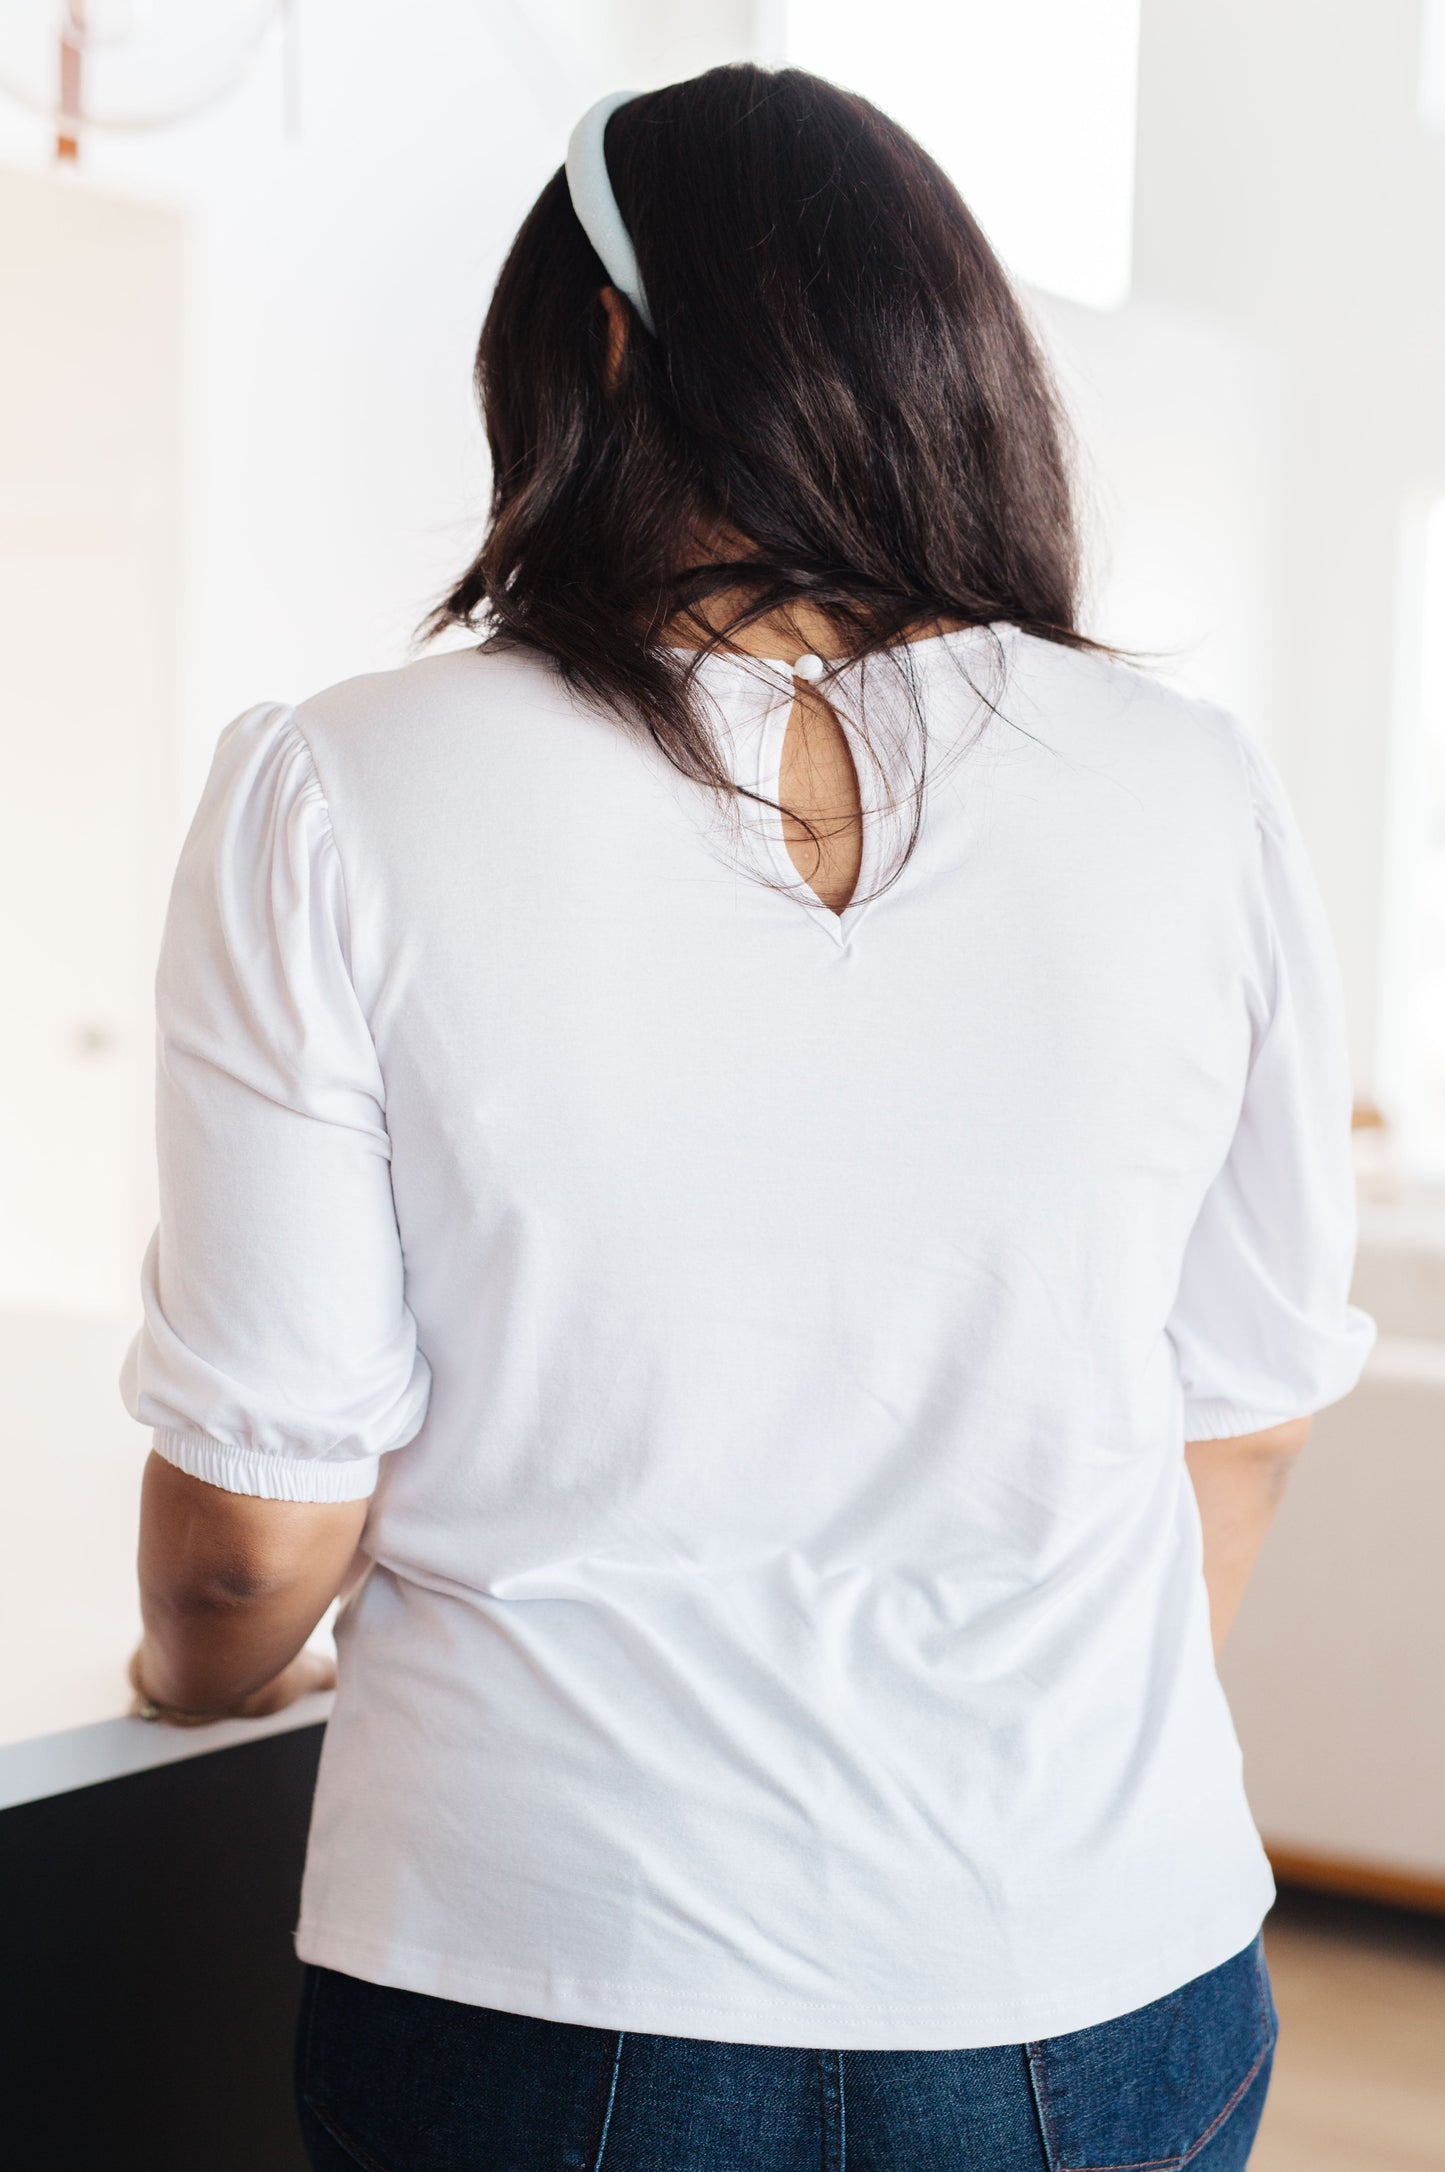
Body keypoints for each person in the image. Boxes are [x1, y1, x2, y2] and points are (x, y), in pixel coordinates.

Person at [122, 64, 1374, 2172]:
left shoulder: (337, 787)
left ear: (600, 352)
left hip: (547, 1978)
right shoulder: (1192, 789)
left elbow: (258, 1525)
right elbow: (1242, 1423)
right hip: (1097, 1972)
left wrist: (188, 1683)